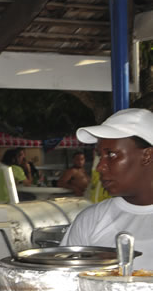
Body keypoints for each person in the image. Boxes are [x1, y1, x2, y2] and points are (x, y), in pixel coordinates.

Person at [61, 108, 153, 270]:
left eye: (111, 155)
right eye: (99, 156)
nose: (100, 167)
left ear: (147, 156)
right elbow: (66, 283)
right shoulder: (91, 220)